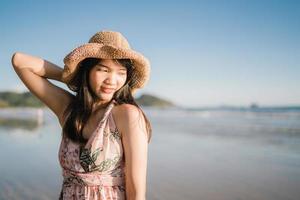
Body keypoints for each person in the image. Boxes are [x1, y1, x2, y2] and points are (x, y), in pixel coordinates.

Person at [11, 30, 152, 200]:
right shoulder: (69, 110)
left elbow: (136, 191)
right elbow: (20, 61)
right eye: (103, 70)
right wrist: (74, 78)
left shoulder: (127, 115)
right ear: (88, 70)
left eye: (121, 73)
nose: (112, 80)